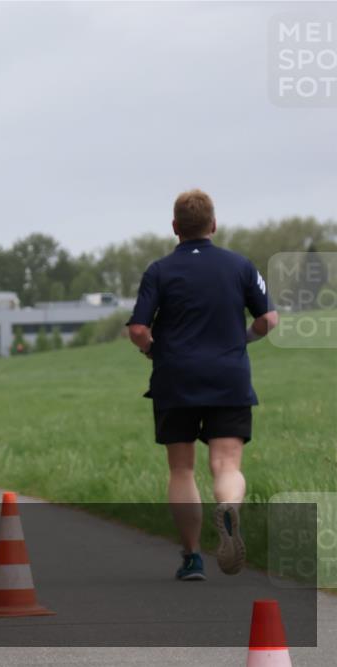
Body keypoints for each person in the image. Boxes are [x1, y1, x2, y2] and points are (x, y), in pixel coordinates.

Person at [127, 189, 277, 581]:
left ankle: (192, 557)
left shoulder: (159, 270)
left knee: (181, 470)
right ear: (213, 224)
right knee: (225, 464)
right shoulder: (241, 266)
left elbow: (139, 328)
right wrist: (243, 339)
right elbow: (268, 321)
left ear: (175, 227)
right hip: (228, 376)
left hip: (175, 379)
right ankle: (229, 508)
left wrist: (151, 349)